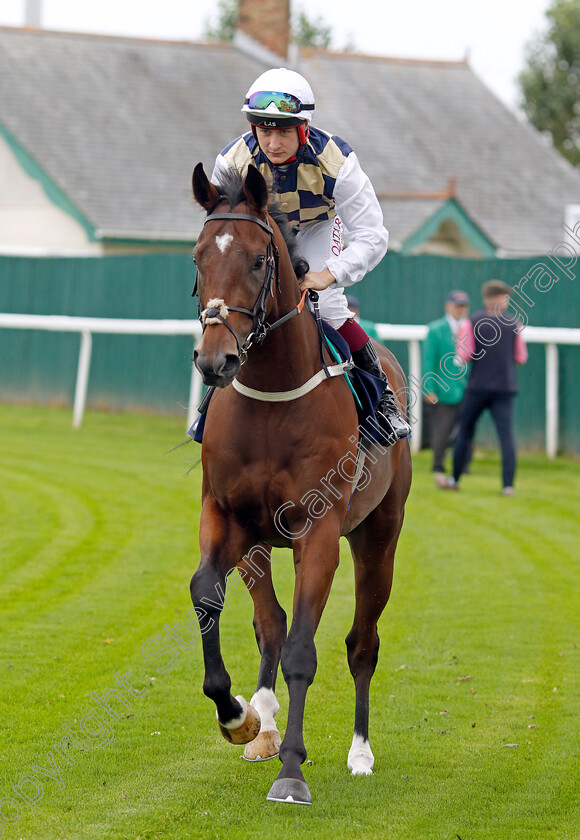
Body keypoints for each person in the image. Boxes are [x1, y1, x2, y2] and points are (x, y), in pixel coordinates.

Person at [210, 67, 411, 445]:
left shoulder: (338, 161)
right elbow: (225, 229)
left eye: (283, 131)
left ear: (304, 128)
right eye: (264, 131)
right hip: (264, 231)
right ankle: (210, 409)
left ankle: (382, 398)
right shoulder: (231, 161)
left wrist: (329, 274)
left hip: (317, 227)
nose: (272, 143)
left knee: (329, 306)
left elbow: (372, 236)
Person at [447, 280, 528, 495]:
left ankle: (454, 478)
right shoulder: (514, 323)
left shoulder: (472, 322)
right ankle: (508, 485)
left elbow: (464, 355)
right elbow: (521, 357)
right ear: (495, 299)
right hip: (504, 388)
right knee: (506, 436)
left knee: (465, 431)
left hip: (477, 387)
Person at [423, 289, 470, 488]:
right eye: (457, 306)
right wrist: (428, 388)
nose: (460, 310)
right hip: (444, 389)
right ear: (448, 306)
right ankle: (438, 463)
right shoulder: (435, 330)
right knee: (442, 430)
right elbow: (428, 360)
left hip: (466, 387)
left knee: (467, 429)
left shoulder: (470, 328)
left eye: (463, 306)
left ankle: (464, 464)